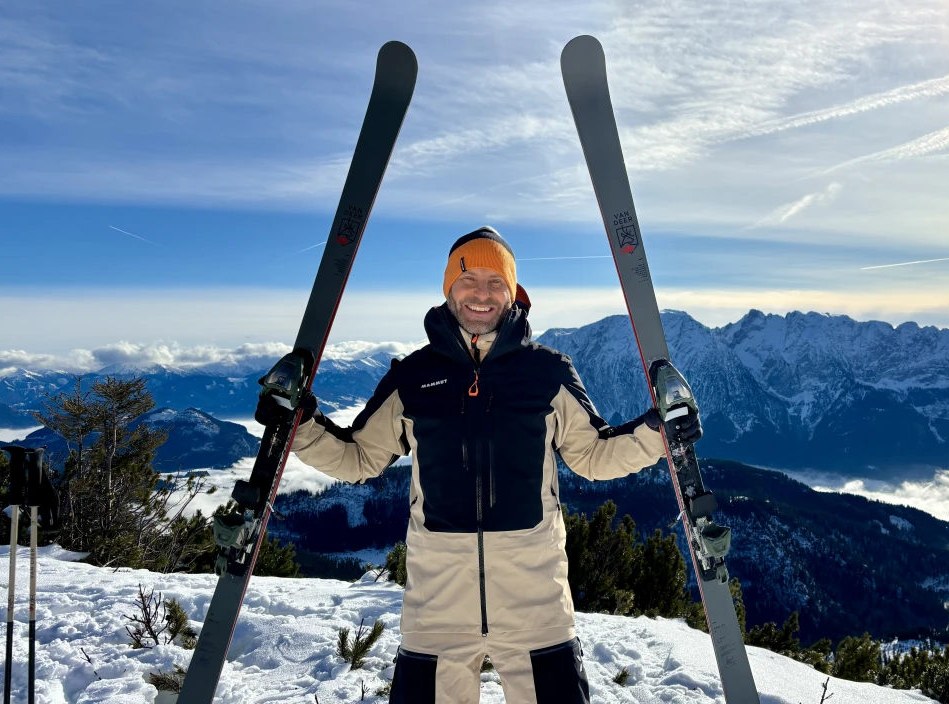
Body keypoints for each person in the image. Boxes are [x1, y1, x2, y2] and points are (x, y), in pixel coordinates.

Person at [256, 226, 701, 703]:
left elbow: (593, 455)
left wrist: (658, 434)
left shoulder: (547, 372)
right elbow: (358, 458)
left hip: (536, 601)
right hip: (437, 606)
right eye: (469, 279)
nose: (482, 294)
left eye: (496, 282)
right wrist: (298, 427)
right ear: (449, 288)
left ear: (512, 293)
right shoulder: (414, 376)